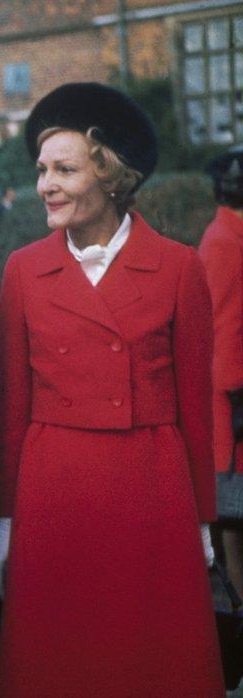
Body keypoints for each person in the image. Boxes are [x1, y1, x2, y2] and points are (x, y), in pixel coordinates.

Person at [0, 82, 223, 696]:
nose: (46, 185)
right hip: (54, 492)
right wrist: (5, 520)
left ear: (110, 176)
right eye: (41, 171)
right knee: (61, 665)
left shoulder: (178, 266)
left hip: (151, 488)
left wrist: (202, 522)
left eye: (64, 170)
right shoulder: (22, 269)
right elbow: (12, 408)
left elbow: (197, 408)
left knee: (148, 663)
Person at [200, 146, 243, 595]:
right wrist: (237, 398)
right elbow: (226, 326)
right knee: (236, 515)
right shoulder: (226, 241)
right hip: (236, 402)